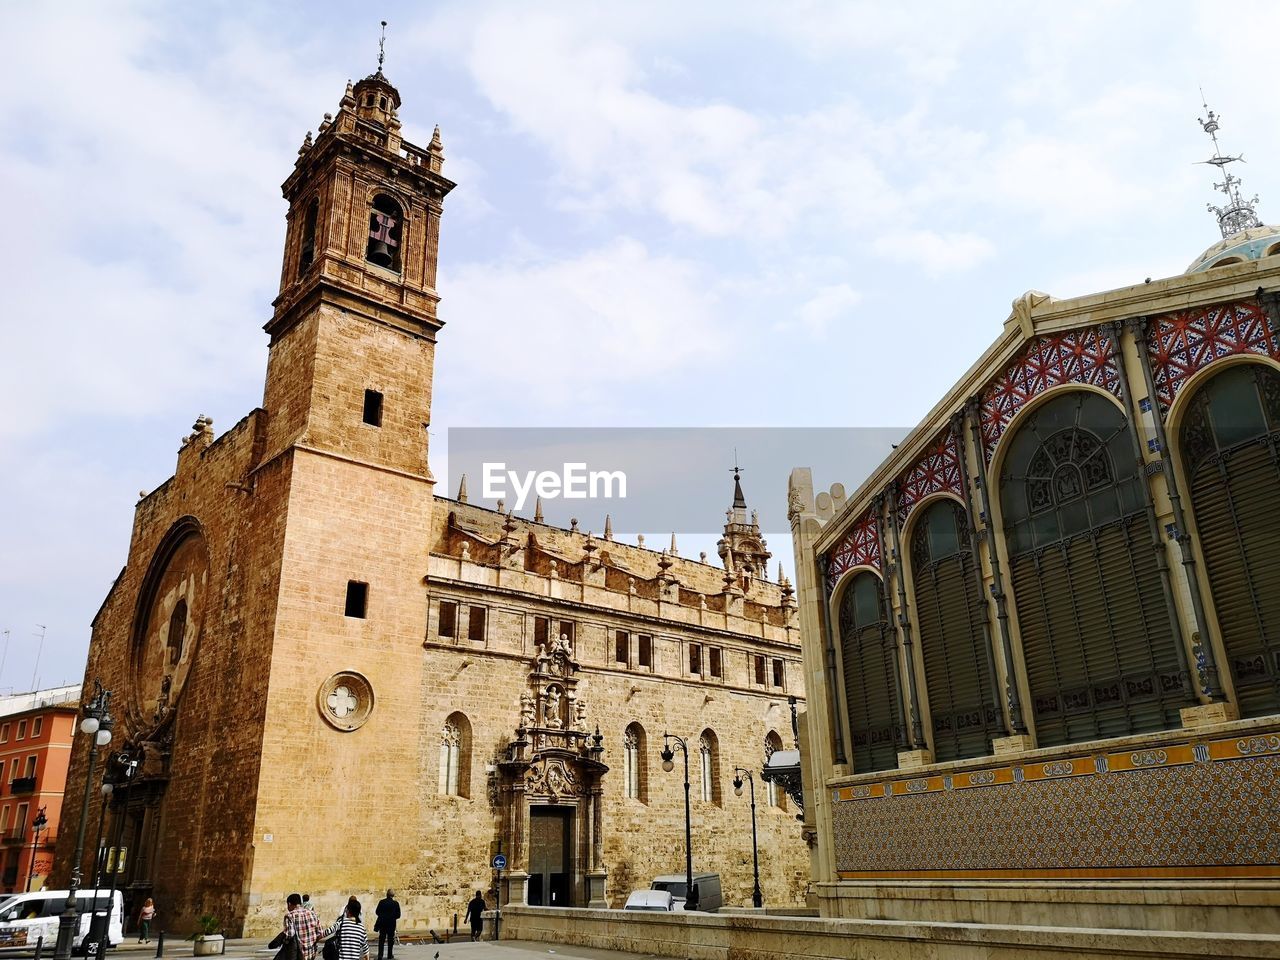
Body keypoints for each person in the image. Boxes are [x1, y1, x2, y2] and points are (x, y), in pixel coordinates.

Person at [284, 893, 324, 960]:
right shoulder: (313, 913)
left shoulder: (290, 916)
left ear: (289, 904)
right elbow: (320, 933)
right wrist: (312, 943)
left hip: (298, 954)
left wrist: (284, 942)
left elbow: (290, 935)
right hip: (311, 953)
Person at [374, 889, 400, 960]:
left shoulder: (381, 902)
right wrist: (392, 917)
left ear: (387, 894)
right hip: (391, 924)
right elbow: (398, 915)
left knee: (381, 940)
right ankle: (389, 955)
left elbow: (377, 912)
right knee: (390, 940)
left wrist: (383, 916)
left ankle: (380, 955)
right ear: (393, 895)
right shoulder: (395, 903)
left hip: (382, 923)